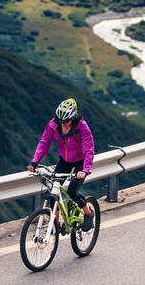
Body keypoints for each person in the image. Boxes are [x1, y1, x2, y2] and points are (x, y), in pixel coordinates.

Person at [28, 97, 95, 231]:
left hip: (80, 161)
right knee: (54, 192)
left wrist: (85, 170)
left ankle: (89, 213)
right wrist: (35, 162)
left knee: (72, 191)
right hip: (64, 161)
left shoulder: (82, 127)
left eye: (66, 121)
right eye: (60, 120)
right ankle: (57, 225)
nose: (63, 123)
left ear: (73, 117)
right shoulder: (53, 125)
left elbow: (89, 149)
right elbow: (44, 143)